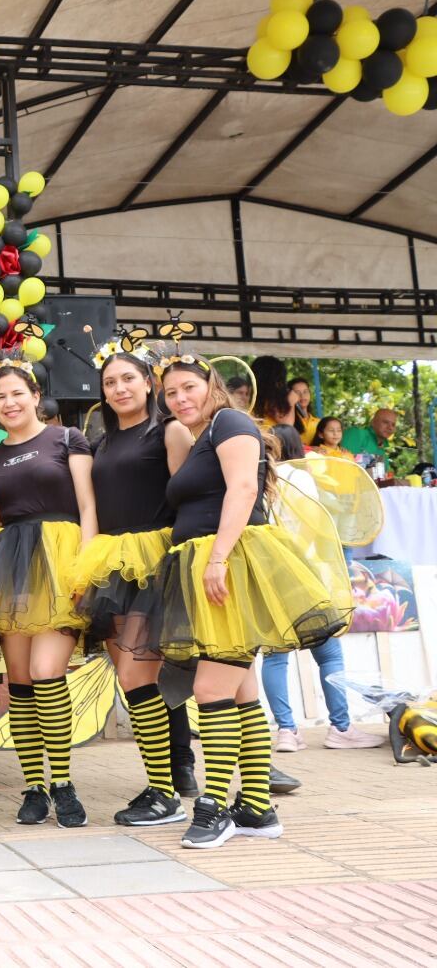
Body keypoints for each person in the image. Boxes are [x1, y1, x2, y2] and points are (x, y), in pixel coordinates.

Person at [143, 351, 351, 850]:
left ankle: (214, 807)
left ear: (210, 385)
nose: (179, 399)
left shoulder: (229, 420)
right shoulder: (198, 438)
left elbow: (242, 487)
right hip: (209, 564)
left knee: (212, 687)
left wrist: (217, 558)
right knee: (240, 692)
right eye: (170, 394)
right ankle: (257, 808)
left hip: (231, 565)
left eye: (188, 388)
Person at [0, 356, 96, 828]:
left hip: (62, 566)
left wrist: (87, 568)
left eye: (18, 393)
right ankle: (33, 786)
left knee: (45, 672)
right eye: (0, 397)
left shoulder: (66, 438)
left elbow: (87, 506)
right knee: (19, 683)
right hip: (11, 571)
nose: (9, 402)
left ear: (36, 396)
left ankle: (64, 782)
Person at [70, 343, 197, 826]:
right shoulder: (100, 443)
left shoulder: (170, 431)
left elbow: (189, 496)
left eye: (128, 379)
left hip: (157, 562)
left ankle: (167, 789)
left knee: (139, 677)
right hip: (112, 566)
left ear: (148, 383)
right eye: (110, 382)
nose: (119, 389)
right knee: (137, 683)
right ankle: (162, 785)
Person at [261, 429, 381, 753]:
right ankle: (340, 728)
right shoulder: (303, 479)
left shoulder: (260, 479)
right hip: (310, 573)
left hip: (273, 574)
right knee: (328, 653)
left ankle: (287, 731)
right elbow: (323, 526)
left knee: (275, 656)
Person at [288, 376, 319, 445]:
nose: (302, 396)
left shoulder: (319, 422)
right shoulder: (288, 421)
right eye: (297, 392)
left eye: (305, 391)